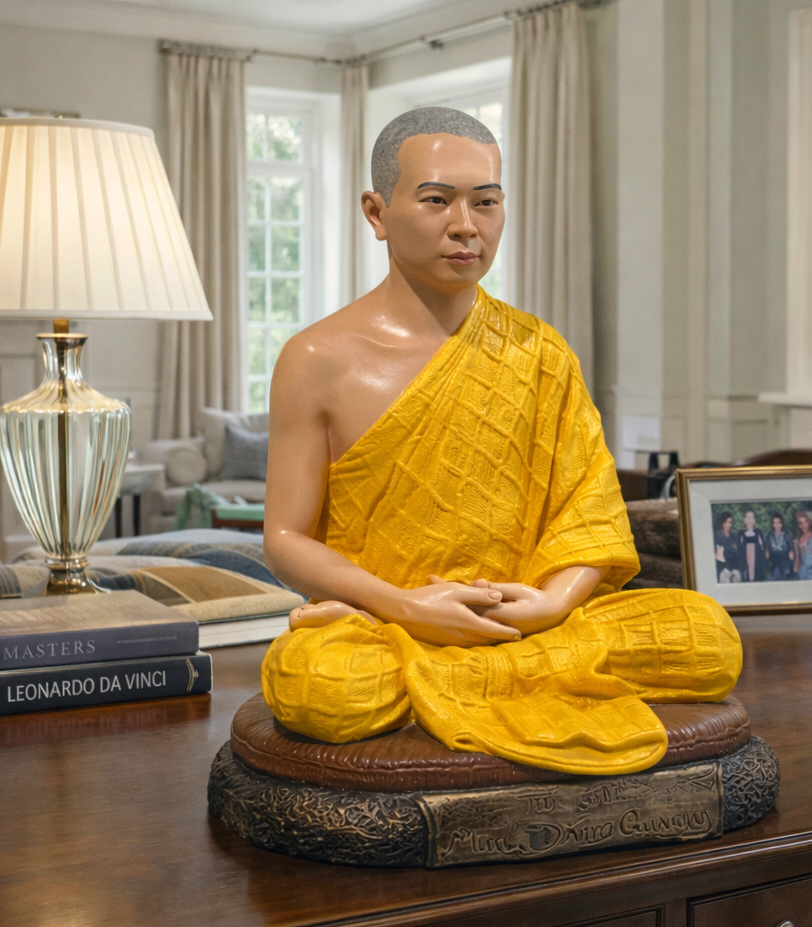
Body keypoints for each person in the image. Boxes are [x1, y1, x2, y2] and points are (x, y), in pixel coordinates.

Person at [260, 107, 742, 776]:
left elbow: (588, 511)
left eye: (485, 202)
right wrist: (403, 607)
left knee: (707, 637)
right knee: (325, 687)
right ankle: (474, 666)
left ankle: (465, 671)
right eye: (436, 201)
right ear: (377, 212)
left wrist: (555, 600)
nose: (466, 225)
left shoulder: (539, 350)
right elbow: (285, 539)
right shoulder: (318, 357)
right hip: (391, 624)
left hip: (527, 621)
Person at [736, 509, 766, 582]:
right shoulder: (740, 533)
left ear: (754, 520)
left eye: (752, 517)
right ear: (744, 519)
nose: (749, 520)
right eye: (748, 517)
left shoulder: (759, 532)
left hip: (757, 566)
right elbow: (738, 550)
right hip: (744, 566)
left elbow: (762, 550)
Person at [765, 512, 796, 581]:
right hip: (774, 567)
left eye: (778, 522)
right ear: (772, 524)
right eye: (775, 523)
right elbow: (767, 554)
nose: (777, 525)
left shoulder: (787, 535)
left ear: (781, 523)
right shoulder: (769, 536)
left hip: (786, 566)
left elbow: (791, 553)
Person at [714, 512, 742, 583]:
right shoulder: (717, 536)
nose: (727, 525)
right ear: (722, 522)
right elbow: (717, 555)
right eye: (725, 522)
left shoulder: (733, 536)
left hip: (735, 569)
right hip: (722, 569)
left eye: (729, 522)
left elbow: (738, 552)